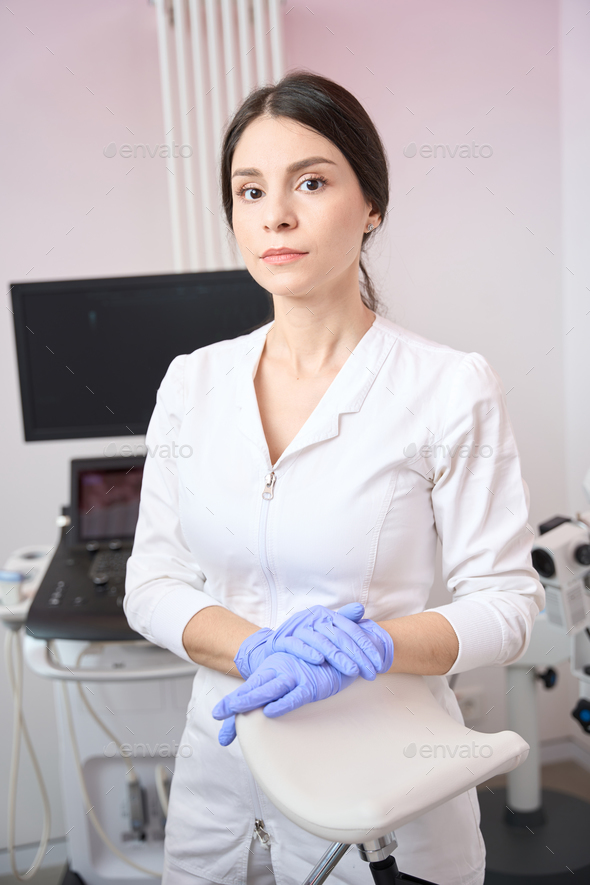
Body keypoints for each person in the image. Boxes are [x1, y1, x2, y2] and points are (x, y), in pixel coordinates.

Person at [124, 70, 545, 885]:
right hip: (222, 776)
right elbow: (152, 578)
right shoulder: (193, 382)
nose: (275, 214)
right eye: (250, 191)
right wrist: (260, 652)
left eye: (310, 182)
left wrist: (374, 647)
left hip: (388, 793)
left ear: (372, 203)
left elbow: (508, 603)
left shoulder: (447, 385)